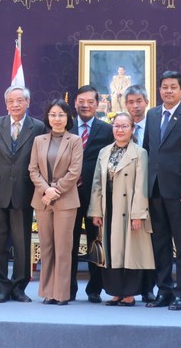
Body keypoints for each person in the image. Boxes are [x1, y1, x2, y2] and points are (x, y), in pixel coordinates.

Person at [143, 70, 181, 311]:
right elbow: (147, 150)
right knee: (160, 244)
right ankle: (164, 290)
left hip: (180, 192)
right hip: (155, 189)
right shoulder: (152, 114)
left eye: (172, 87)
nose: (168, 91)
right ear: (159, 90)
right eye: (164, 87)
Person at [88, 112, 154, 307]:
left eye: (124, 126)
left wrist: (138, 214)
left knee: (130, 251)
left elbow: (141, 186)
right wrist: (96, 211)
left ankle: (130, 294)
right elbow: (97, 183)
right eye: (116, 126)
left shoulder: (139, 153)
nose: (120, 130)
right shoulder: (104, 151)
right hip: (108, 206)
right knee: (112, 249)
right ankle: (115, 292)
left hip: (129, 207)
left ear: (132, 129)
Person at [0, 85, 45, 303]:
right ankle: (1, 288)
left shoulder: (38, 127)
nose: (15, 105)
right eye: (11, 101)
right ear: (6, 104)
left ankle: (19, 287)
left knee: (22, 245)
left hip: (24, 191)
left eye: (20, 100)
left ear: (28, 103)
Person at [29, 99, 82, 305]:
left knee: (63, 247)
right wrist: (46, 190)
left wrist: (55, 191)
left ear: (68, 117)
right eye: (53, 114)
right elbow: (33, 169)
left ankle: (61, 293)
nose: (57, 118)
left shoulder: (75, 140)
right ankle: (47, 292)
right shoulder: (39, 140)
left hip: (66, 201)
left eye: (61, 115)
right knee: (47, 246)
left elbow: (75, 171)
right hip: (42, 200)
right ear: (47, 117)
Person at [69, 85, 113, 303]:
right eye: (81, 101)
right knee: (69, 241)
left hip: (96, 194)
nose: (85, 105)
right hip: (68, 194)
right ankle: (68, 288)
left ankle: (95, 289)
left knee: (96, 241)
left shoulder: (107, 130)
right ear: (75, 103)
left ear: (98, 104)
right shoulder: (65, 126)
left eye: (90, 101)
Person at [124, 84, 156, 302]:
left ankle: (149, 287)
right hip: (126, 196)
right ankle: (129, 287)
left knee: (151, 243)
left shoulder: (156, 125)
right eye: (131, 102)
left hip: (153, 192)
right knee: (131, 243)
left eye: (139, 101)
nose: (135, 106)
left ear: (146, 102)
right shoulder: (119, 127)